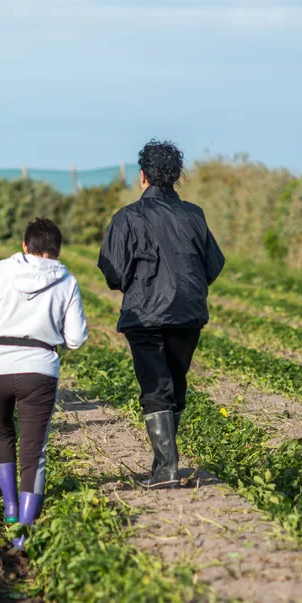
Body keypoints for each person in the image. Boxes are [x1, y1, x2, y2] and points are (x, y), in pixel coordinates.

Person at [97, 139, 225, 488]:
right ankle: (163, 463)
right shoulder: (194, 214)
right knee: (176, 383)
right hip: (188, 312)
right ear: (176, 177)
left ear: (143, 177)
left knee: (156, 387)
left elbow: (113, 272)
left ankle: (166, 468)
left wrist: (135, 284)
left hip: (145, 314)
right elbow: (214, 264)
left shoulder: (127, 217)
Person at [0, 217, 88, 550]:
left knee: (1, 432)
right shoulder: (67, 281)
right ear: (58, 250)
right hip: (39, 369)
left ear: (25, 245)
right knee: (34, 451)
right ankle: (24, 528)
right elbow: (76, 339)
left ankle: (8, 507)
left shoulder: (2, 269)